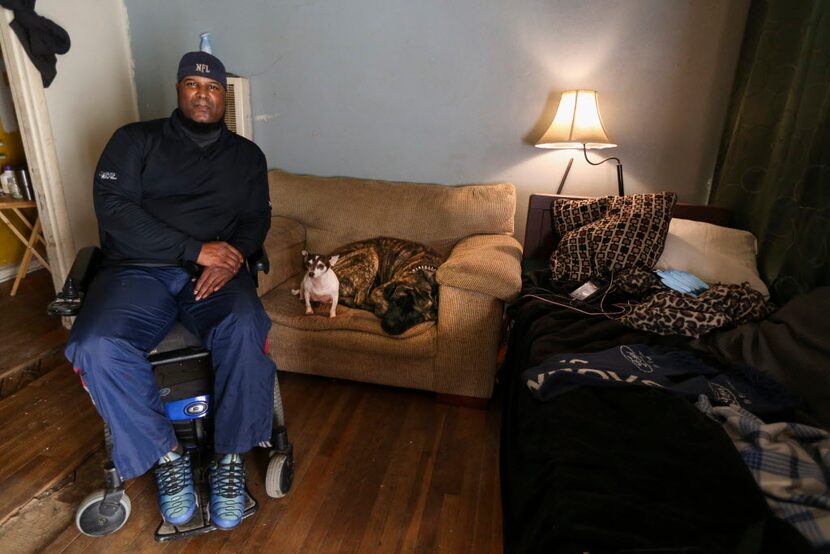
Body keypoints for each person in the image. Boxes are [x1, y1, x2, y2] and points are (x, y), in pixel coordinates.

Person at [64, 51, 275, 531]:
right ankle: (168, 456)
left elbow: (256, 218)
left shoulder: (247, 157)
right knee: (93, 344)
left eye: (214, 87)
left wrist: (232, 257)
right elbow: (114, 209)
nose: (204, 94)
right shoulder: (134, 141)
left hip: (215, 276)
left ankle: (228, 457)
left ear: (225, 96)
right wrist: (195, 249)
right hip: (139, 273)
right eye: (193, 85)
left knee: (245, 325)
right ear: (179, 90)